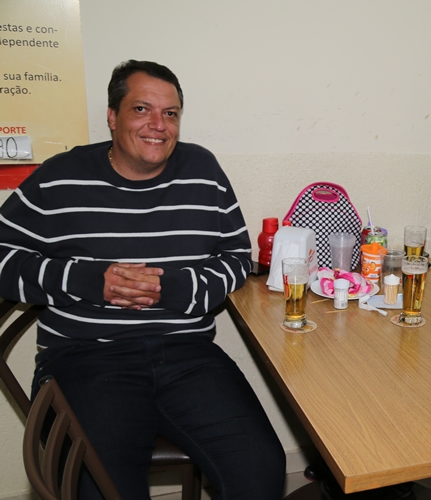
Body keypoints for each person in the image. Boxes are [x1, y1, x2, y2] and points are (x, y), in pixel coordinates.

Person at [0, 60, 285, 499]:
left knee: (262, 469)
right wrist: (87, 280)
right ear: (112, 117)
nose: (159, 125)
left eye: (170, 113)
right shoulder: (59, 177)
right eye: (141, 109)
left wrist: (177, 288)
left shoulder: (203, 169)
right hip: (85, 358)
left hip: (188, 355)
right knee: (102, 486)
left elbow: (234, 257)